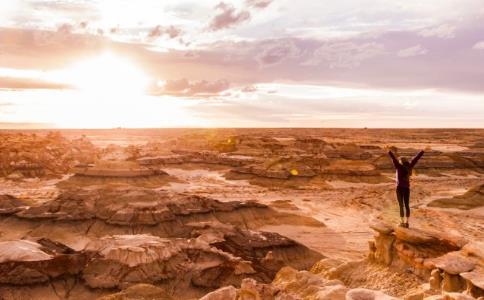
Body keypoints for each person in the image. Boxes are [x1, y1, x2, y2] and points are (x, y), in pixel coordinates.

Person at [388, 148, 424, 228]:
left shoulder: (398, 167)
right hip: (407, 189)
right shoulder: (410, 166)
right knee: (407, 205)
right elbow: (416, 159)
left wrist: (389, 151)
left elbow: (393, 159)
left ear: (400, 162)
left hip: (399, 188)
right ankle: (407, 223)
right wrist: (422, 151)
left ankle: (402, 222)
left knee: (401, 205)